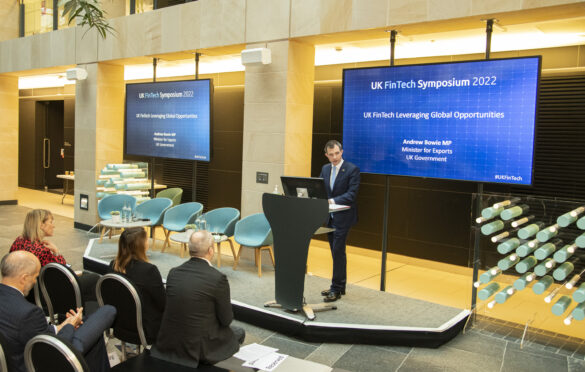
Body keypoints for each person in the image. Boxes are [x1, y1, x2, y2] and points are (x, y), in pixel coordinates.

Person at [0, 251, 116, 372]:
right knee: (107, 311)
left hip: (16, 356)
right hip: (38, 363)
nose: (35, 282)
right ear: (24, 278)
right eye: (35, 277)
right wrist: (70, 326)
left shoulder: (19, 310)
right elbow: (51, 350)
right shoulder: (28, 313)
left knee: (88, 327)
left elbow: (30, 331)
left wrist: (65, 324)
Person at [151, 230, 244, 368]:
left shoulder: (173, 273)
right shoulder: (218, 278)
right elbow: (226, 320)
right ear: (211, 251)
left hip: (169, 342)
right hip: (198, 349)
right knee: (239, 332)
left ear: (190, 250)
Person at [10, 209, 99, 303]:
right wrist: (56, 252)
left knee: (85, 275)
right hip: (48, 293)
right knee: (94, 278)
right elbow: (64, 272)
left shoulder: (18, 241)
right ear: (41, 225)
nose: (53, 226)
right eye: (51, 222)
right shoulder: (42, 251)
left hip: (23, 292)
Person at [319, 140, 360, 302]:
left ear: (342, 152)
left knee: (337, 251)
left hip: (344, 218)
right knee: (335, 252)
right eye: (331, 154)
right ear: (326, 155)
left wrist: (331, 201)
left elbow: (352, 195)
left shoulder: (352, 169)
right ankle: (340, 286)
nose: (334, 157)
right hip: (330, 217)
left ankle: (335, 288)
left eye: (337, 153)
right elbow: (319, 188)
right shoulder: (325, 168)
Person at [109, 227, 165, 343]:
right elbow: (163, 304)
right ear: (141, 246)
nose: (147, 242)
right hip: (145, 330)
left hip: (120, 326)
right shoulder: (149, 271)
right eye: (146, 240)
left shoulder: (113, 266)